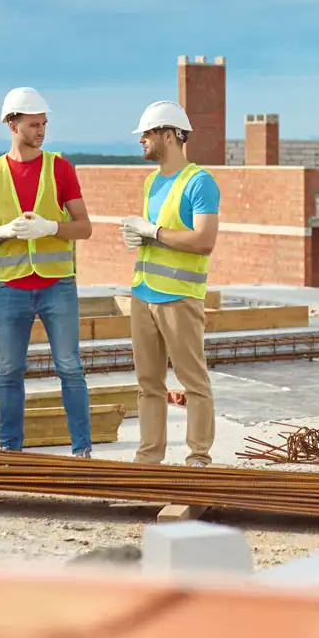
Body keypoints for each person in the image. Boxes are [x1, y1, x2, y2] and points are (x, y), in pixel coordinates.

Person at [0, 87, 94, 455]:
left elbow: (84, 227)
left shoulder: (61, 168)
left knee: (70, 368)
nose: (41, 130)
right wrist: (2, 232)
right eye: (34, 124)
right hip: (11, 288)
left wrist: (52, 227)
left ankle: (82, 450)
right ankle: (10, 451)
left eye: (44, 124)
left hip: (58, 285)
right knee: (9, 373)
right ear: (12, 124)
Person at [120, 101, 220, 466]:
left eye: (147, 133)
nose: (142, 140)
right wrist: (140, 236)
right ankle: (149, 457)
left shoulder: (199, 182)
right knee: (149, 385)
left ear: (169, 135)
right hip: (143, 294)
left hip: (179, 298)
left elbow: (203, 240)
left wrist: (155, 231)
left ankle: (198, 456)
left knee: (193, 382)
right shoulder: (151, 182)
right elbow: (159, 237)